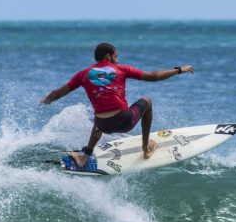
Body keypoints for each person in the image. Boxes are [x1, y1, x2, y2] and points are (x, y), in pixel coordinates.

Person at [41, 42, 194, 167]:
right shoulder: (122, 69)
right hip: (124, 120)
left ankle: (85, 156)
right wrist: (179, 70)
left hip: (103, 125)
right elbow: (155, 76)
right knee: (147, 101)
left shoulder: (83, 75)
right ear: (108, 56)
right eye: (116, 56)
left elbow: (57, 93)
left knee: (99, 113)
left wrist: (45, 101)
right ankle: (146, 148)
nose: (118, 60)